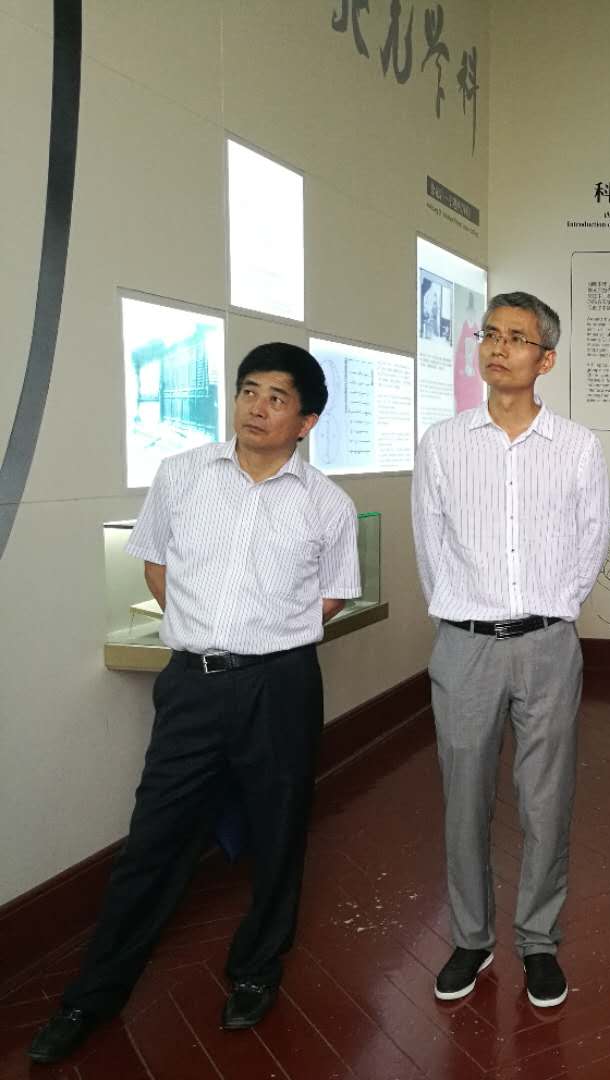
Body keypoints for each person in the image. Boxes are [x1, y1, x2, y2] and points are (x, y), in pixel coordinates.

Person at [28, 344, 359, 1065]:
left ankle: (256, 970)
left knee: (278, 834)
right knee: (154, 837)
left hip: (280, 686)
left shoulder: (326, 504)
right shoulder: (182, 475)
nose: (257, 407)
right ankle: (92, 996)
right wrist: (207, 629)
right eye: (248, 391)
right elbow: (156, 562)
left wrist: (263, 636)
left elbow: (332, 595)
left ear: (306, 421)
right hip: (192, 685)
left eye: (276, 398)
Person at [412, 291, 609, 1010]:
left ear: (545, 359)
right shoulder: (442, 443)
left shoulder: (577, 446)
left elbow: (590, 543)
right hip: (464, 645)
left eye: (517, 338)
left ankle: (538, 939)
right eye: (490, 334)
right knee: (463, 796)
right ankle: (471, 936)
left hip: (548, 643)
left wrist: (549, 610)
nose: (498, 347)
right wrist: (469, 611)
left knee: (546, 799)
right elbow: (430, 547)